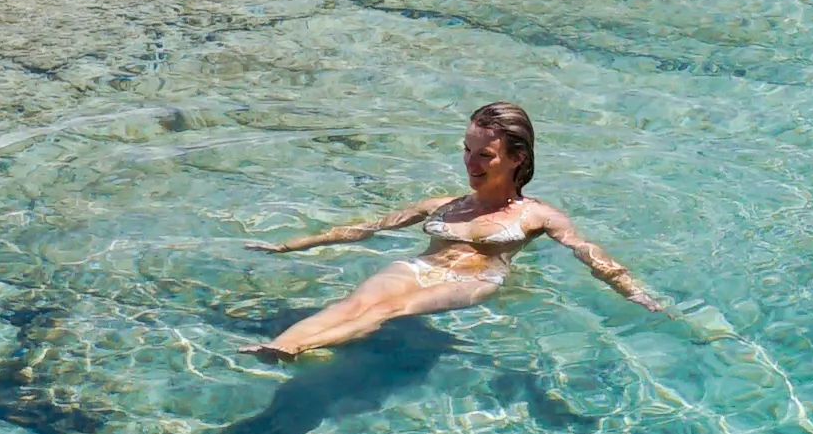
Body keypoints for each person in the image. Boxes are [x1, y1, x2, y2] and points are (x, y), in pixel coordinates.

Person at [251, 100, 669, 357]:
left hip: (477, 276)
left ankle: (299, 347)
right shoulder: (443, 205)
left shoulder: (538, 216)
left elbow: (587, 253)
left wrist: (634, 292)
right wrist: (289, 246)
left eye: (485, 155)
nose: (470, 164)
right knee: (353, 303)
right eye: (467, 151)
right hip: (421, 266)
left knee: (386, 309)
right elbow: (365, 229)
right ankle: (278, 346)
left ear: (516, 158)